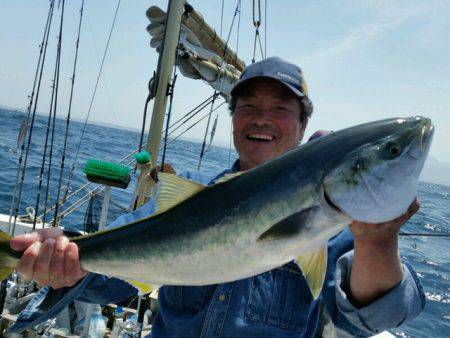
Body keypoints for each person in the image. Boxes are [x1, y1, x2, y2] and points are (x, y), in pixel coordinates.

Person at [9, 57, 425, 337]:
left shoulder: (341, 226)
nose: (261, 117)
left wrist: (378, 239)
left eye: (280, 108)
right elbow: (106, 283)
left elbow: (376, 318)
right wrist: (66, 265)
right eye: (248, 105)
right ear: (234, 120)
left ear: (302, 127)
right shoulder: (186, 194)